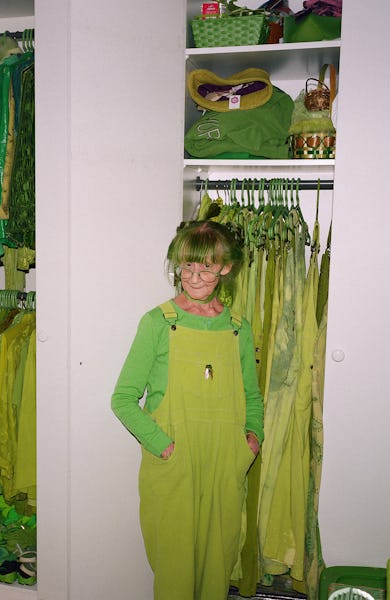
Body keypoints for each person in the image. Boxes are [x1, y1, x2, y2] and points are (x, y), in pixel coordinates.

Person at [111, 220, 264, 600]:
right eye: (186, 266)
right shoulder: (158, 323)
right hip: (175, 464)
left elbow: (252, 396)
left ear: (225, 268)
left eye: (206, 268)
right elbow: (123, 399)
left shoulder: (237, 329)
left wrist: (252, 440)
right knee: (175, 573)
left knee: (218, 566)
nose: (193, 277)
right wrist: (163, 446)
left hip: (225, 462)